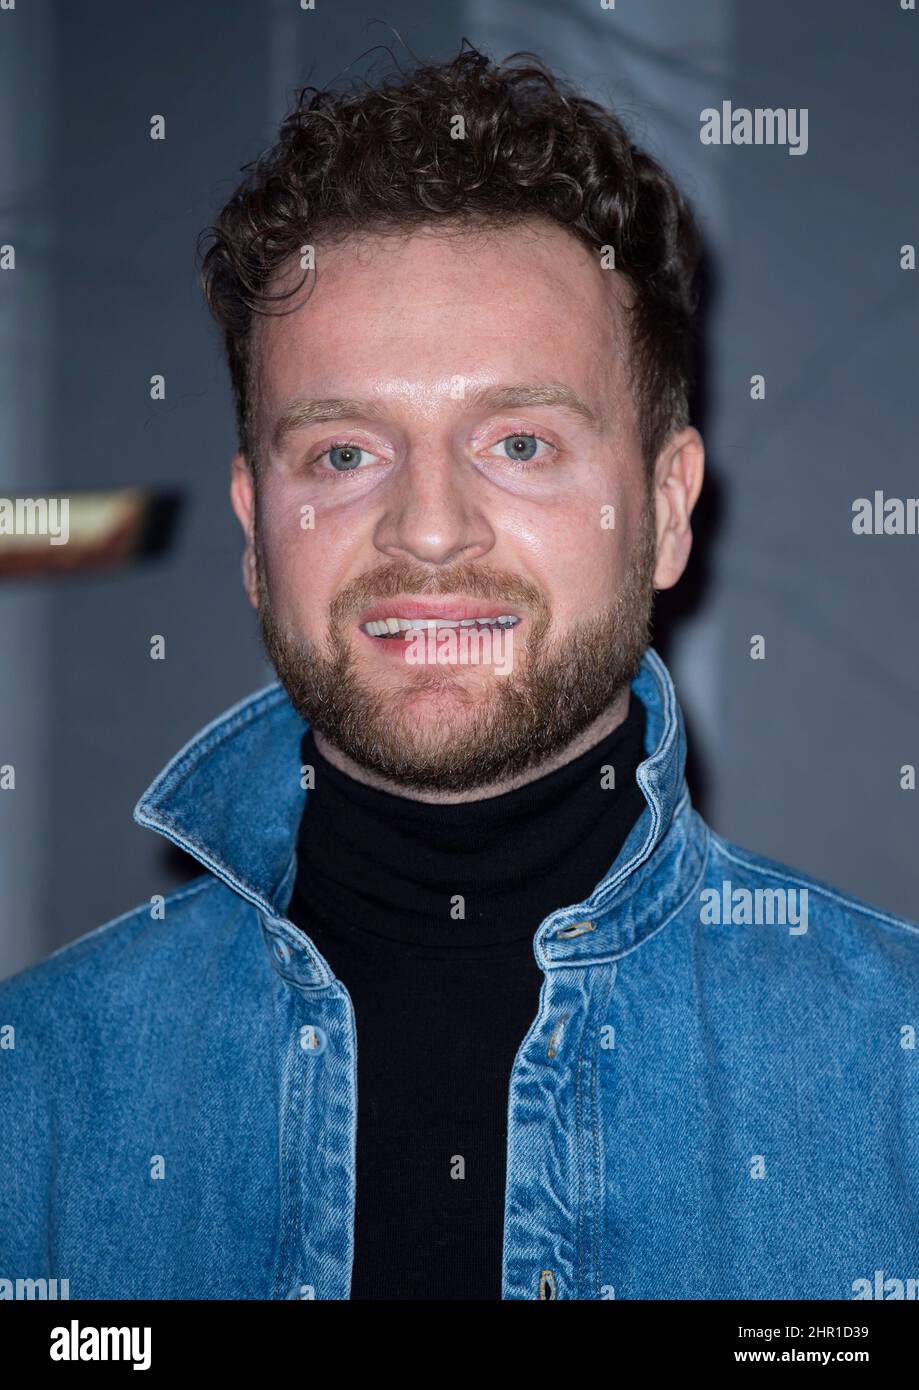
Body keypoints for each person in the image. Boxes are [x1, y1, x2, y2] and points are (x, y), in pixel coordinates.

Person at [2, 47, 916, 1303]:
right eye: (340, 454)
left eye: (520, 442)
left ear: (664, 506)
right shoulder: (34, 1089)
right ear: (253, 525)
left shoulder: (898, 1076)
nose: (428, 529)